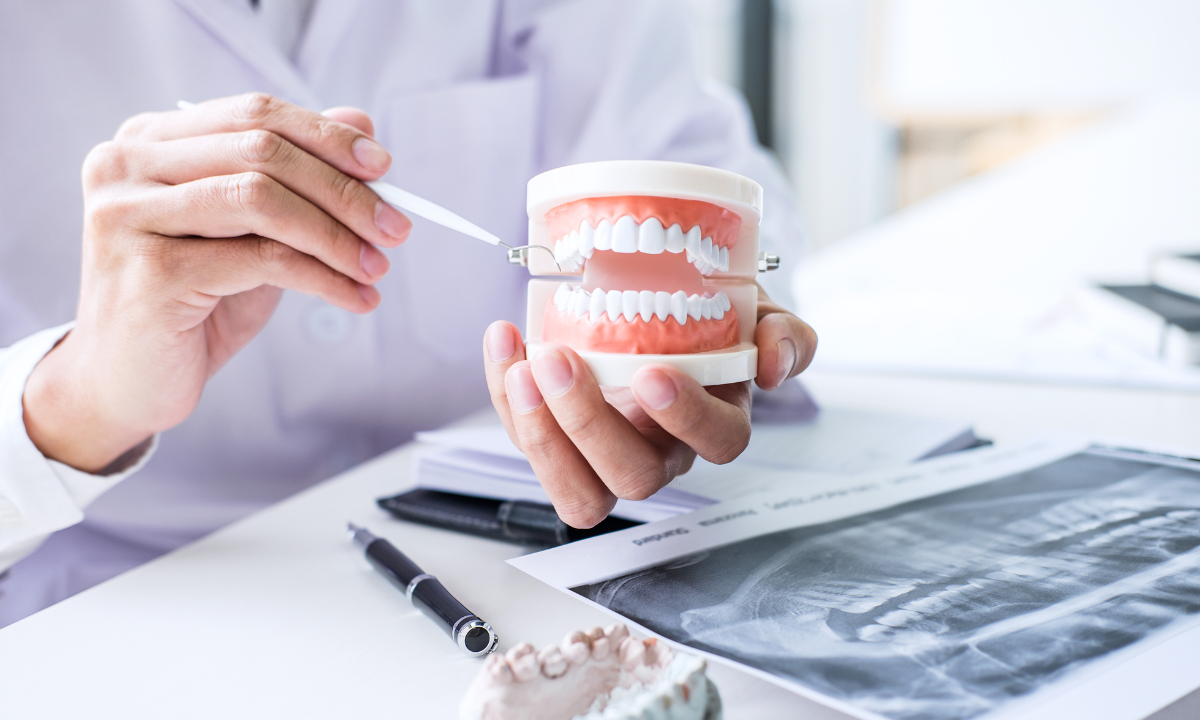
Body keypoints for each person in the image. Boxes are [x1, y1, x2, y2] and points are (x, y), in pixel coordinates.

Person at [0, 0, 815, 626]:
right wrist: (72, 405)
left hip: (502, 569)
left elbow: (694, 165)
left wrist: (712, 327)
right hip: (112, 611)